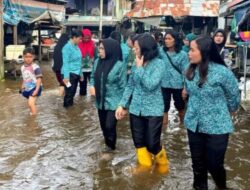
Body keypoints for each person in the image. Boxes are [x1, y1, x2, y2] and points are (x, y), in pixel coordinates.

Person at [184, 35, 240, 190]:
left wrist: (230, 110)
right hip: (194, 124)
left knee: (214, 164)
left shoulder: (222, 73)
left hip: (217, 125)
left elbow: (234, 95)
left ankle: (221, 187)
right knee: (198, 165)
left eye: (192, 50)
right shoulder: (189, 70)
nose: (189, 53)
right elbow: (189, 92)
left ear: (204, 51)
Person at [116, 34, 169, 174]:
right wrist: (122, 104)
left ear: (145, 49)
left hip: (153, 110)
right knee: (139, 142)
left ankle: (163, 164)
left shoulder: (159, 64)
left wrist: (139, 69)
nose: (134, 50)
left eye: (136, 48)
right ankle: (145, 169)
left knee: (152, 143)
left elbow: (150, 85)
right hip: (135, 110)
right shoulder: (136, 63)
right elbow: (130, 86)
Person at [89, 38, 126, 151]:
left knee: (110, 126)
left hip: (114, 102)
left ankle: (110, 150)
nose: (99, 51)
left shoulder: (119, 65)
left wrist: (123, 106)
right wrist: (92, 86)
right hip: (100, 102)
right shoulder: (97, 62)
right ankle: (108, 145)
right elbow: (92, 77)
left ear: (110, 50)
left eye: (102, 48)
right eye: (99, 48)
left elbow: (123, 86)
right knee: (104, 127)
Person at [160, 30, 189, 127]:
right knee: (164, 107)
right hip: (163, 84)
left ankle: (183, 127)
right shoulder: (161, 52)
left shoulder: (183, 55)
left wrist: (185, 88)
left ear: (175, 40)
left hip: (178, 85)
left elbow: (186, 72)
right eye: (165, 39)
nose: (166, 41)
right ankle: (164, 130)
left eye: (169, 39)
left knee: (180, 107)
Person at [61, 30, 83, 107]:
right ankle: (67, 112)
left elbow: (79, 61)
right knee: (69, 93)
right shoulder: (66, 48)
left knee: (72, 92)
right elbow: (65, 63)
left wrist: (81, 74)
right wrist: (66, 77)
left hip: (76, 73)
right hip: (69, 74)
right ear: (74, 37)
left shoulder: (76, 47)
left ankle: (70, 112)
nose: (80, 41)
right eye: (79, 39)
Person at [20, 47, 43, 115]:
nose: (28, 58)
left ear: (33, 57)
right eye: (26, 56)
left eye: (30, 56)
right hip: (28, 87)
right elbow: (25, 78)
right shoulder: (22, 67)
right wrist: (22, 87)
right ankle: (32, 113)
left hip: (36, 87)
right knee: (30, 103)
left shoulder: (35, 67)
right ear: (23, 57)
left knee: (31, 103)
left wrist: (36, 90)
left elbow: (39, 79)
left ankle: (33, 120)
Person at [78, 29, 98, 96]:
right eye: (84, 38)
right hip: (81, 70)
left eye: (88, 38)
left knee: (93, 85)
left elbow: (96, 57)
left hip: (91, 69)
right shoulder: (79, 44)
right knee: (82, 87)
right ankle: (82, 102)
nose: (86, 39)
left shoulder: (93, 44)